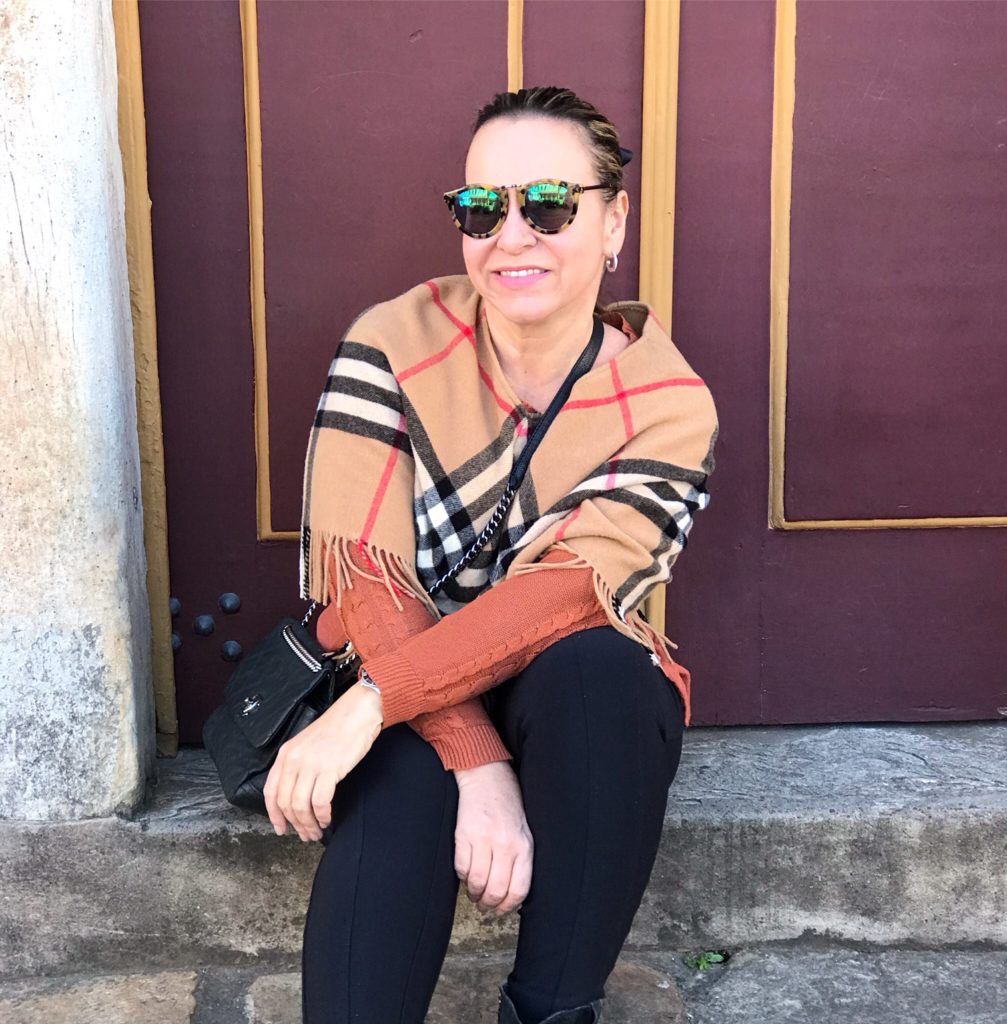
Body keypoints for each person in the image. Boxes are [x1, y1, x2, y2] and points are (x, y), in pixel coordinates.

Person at [264, 86, 719, 1024]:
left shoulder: (668, 402)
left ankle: (551, 1010)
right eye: (480, 208)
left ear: (612, 222)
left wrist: (369, 704)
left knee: (604, 677)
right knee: (400, 784)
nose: (511, 237)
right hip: (401, 658)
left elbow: (567, 593)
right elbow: (369, 580)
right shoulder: (388, 344)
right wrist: (476, 761)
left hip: (551, 687)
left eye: (548, 204)